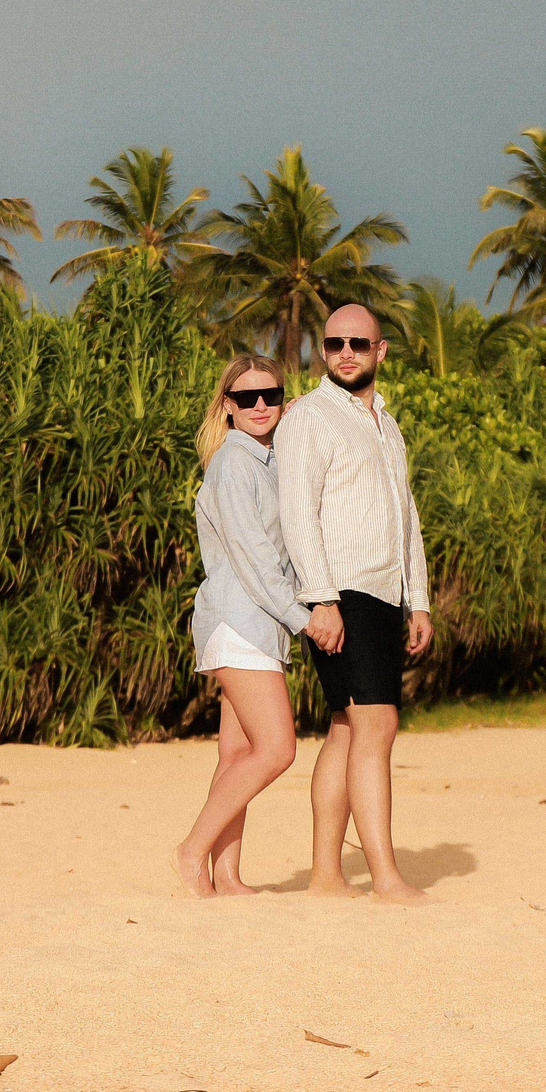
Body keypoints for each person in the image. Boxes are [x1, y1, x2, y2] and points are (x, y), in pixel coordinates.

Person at [275, 302, 434, 904]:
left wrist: (417, 600)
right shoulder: (309, 419)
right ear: (322, 351)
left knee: (345, 728)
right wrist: (320, 600)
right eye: (335, 342)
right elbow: (298, 517)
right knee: (376, 723)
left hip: (384, 593)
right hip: (342, 590)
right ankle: (387, 878)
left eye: (358, 343)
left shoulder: (385, 425)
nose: (346, 351)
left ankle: (325, 877)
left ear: (380, 351)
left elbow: (405, 518)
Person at [172, 354, 311, 898]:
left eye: (271, 396)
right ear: (227, 406)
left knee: (236, 756)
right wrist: (306, 620)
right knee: (278, 749)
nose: (260, 406)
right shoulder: (233, 465)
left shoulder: (262, 457)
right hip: (241, 621)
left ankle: (225, 875)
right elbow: (256, 559)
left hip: (250, 624)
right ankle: (190, 852)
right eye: (247, 398)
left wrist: (296, 412)